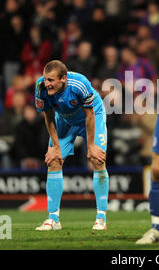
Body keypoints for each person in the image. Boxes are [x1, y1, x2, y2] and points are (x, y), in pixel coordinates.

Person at [34, 60, 109, 231]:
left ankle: (101, 217)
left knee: (96, 159)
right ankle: (53, 219)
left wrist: (90, 145)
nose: (47, 84)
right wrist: (55, 147)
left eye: (51, 80)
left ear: (63, 79)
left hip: (91, 117)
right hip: (65, 119)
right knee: (53, 161)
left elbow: (89, 114)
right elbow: (48, 116)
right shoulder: (40, 87)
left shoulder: (80, 84)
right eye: (46, 79)